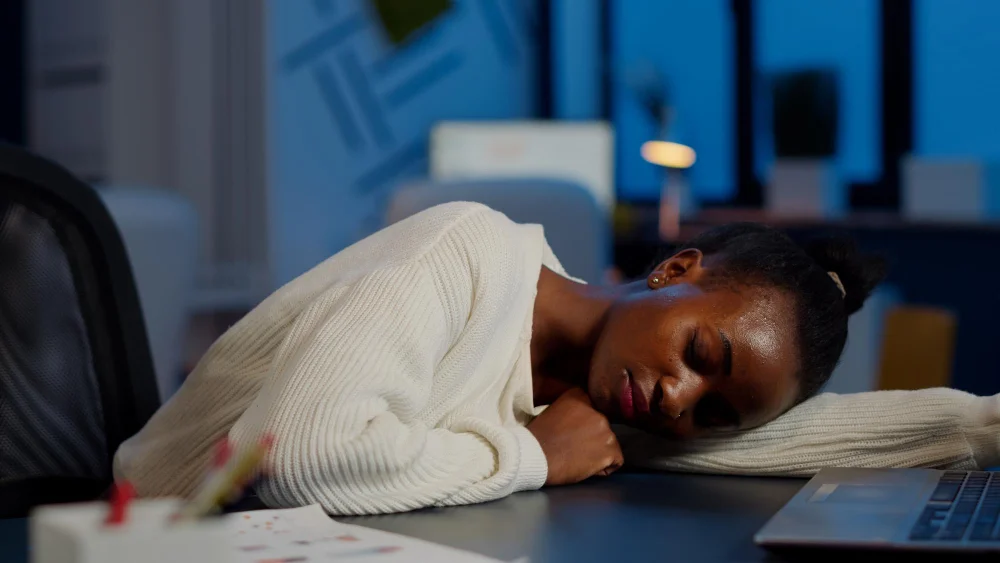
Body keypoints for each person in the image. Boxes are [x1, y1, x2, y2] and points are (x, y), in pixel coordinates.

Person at [115, 202, 1000, 515]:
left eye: (714, 407)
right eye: (700, 351)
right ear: (675, 267)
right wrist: (535, 457)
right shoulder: (462, 255)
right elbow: (301, 453)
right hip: (149, 535)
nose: (679, 401)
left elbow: (788, 435)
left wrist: (980, 425)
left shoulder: (598, 397)